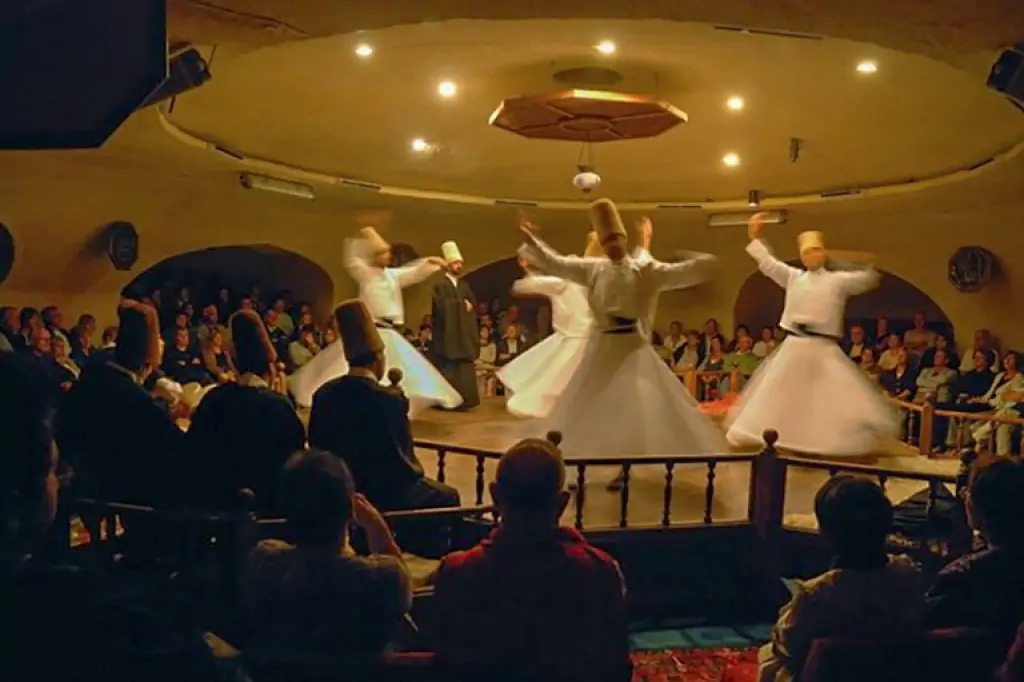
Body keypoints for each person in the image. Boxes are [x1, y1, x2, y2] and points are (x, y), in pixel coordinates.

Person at [517, 199, 725, 490]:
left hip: (633, 350)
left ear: (624, 239)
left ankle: (623, 471)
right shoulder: (593, 269)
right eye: (607, 240)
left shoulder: (645, 270)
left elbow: (684, 272)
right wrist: (532, 239)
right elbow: (556, 263)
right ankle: (579, 468)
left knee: (631, 413)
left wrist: (701, 261)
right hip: (600, 348)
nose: (612, 244)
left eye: (616, 238)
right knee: (586, 409)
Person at [431, 433, 631, 682]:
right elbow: (615, 663)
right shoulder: (601, 571)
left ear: (495, 496)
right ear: (562, 503)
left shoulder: (457, 571)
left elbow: (446, 659)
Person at [725, 213, 898, 456]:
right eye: (807, 252)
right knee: (779, 395)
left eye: (815, 251)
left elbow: (865, 280)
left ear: (822, 254)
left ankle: (822, 442)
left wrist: (861, 264)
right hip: (795, 344)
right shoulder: (794, 278)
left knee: (825, 397)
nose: (811, 256)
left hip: (824, 347)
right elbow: (769, 264)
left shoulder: (837, 281)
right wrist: (755, 237)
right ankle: (768, 435)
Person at [308, 300, 460, 557]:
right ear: (378, 358)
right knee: (447, 497)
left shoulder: (324, 395)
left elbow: (317, 446)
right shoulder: (388, 399)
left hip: (340, 488)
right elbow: (403, 463)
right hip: (384, 492)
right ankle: (428, 558)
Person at [240, 449, 411, 665]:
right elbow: (402, 586)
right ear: (351, 509)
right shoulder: (380, 579)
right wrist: (377, 527)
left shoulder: (265, 563)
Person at [757, 476, 925, 682]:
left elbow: (787, 646)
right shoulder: (909, 575)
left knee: (771, 660)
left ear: (826, 534)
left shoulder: (817, 597)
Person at [290, 227, 462, 416]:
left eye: (388, 253)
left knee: (401, 372)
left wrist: (431, 262)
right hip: (371, 329)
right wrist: (365, 236)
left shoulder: (392, 275)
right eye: (383, 253)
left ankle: (388, 406)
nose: (388, 257)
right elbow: (352, 260)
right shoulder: (366, 273)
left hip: (390, 330)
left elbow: (413, 272)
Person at [186, 310, 306, 513]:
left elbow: (194, 456)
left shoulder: (214, 400)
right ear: (270, 366)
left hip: (217, 511)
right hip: (269, 514)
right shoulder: (280, 407)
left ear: (233, 360)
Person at [498, 237, 596, 418]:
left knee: (560, 379)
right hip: (573, 337)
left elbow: (526, 284)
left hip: (579, 337)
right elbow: (530, 282)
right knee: (557, 379)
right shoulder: (565, 282)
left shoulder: (574, 281)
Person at [431, 241, 480, 409]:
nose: (459, 266)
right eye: (456, 263)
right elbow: (440, 307)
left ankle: (467, 400)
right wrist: (460, 305)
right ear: (449, 265)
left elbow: (472, 305)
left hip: (464, 335)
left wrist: (465, 306)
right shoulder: (440, 286)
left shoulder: (464, 285)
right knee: (450, 367)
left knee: (465, 368)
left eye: (460, 263)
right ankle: (449, 401)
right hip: (449, 335)